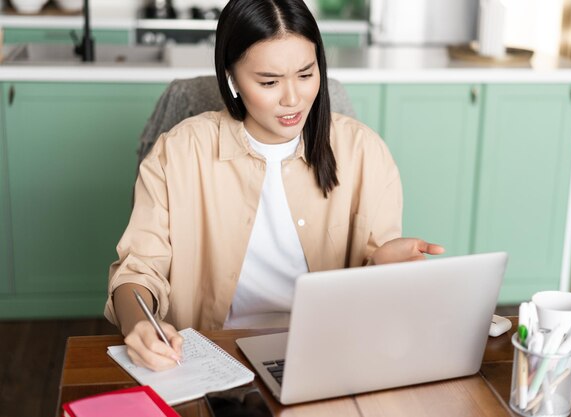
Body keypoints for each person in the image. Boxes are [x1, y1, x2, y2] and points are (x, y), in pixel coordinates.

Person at [104, 0, 445, 371]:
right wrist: (139, 325)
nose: (293, 98)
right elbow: (138, 271)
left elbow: (372, 282)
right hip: (212, 355)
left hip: (329, 351)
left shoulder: (364, 152)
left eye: (305, 73)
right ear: (232, 79)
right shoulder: (179, 153)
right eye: (269, 82)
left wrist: (381, 263)